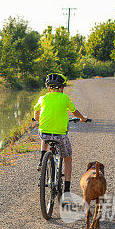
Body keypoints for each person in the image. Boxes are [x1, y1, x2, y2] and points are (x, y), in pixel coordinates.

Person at [32, 73, 89, 203]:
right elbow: (74, 111)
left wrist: (38, 119)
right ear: (62, 88)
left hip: (45, 133)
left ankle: (42, 159)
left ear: (48, 88)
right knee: (67, 159)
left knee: (44, 133)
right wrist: (82, 118)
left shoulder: (43, 98)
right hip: (60, 135)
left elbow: (36, 114)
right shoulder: (64, 98)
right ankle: (67, 191)